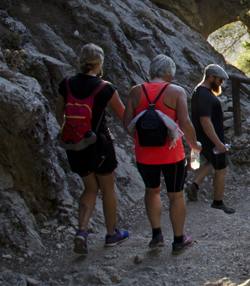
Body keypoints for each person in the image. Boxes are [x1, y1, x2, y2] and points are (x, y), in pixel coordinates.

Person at [54, 44, 129, 254]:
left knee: (89, 188)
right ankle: (111, 234)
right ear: (99, 63)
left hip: (75, 145)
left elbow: (59, 115)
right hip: (100, 145)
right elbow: (124, 116)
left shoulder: (66, 84)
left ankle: (81, 231)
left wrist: (73, 133)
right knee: (107, 189)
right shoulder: (105, 88)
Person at [123, 55, 201, 255]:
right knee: (176, 194)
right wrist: (194, 144)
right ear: (170, 72)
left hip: (144, 155)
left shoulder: (135, 91)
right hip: (172, 155)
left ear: (151, 70)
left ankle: (156, 235)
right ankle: (178, 240)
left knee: (152, 191)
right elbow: (185, 123)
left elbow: (127, 123)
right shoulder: (176, 91)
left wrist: (141, 140)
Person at [185, 64, 234, 213]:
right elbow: (205, 121)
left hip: (205, 138)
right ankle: (218, 202)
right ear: (211, 78)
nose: (221, 83)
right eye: (220, 80)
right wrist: (218, 143)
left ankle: (194, 186)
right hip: (211, 140)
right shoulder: (205, 95)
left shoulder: (198, 91)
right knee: (221, 168)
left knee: (211, 162)